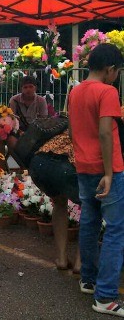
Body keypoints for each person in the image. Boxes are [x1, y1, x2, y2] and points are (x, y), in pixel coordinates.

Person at [68, 43, 124, 317]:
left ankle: (88, 280)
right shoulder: (108, 91)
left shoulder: (75, 92)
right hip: (107, 168)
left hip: (83, 166)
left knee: (89, 221)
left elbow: (71, 129)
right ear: (110, 69)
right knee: (115, 229)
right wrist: (110, 173)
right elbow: (105, 132)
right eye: (118, 72)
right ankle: (106, 297)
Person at [26, 131, 81, 273]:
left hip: (40, 163)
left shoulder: (76, 111)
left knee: (59, 203)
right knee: (90, 208)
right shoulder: (111, 117)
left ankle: (62, 259)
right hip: (68, 165)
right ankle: (80, 262)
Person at [7, 75, 49, 151]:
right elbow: (11, 120)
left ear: (35, 88)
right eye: (25, 87)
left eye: (31, 87)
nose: (28, 89)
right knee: (11, 141)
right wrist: (20, 132)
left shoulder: (41, 101)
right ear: (21, 89)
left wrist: (32, 134)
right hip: (18, 130)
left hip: (36, 131)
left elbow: (44, 120)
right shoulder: (14, 100)